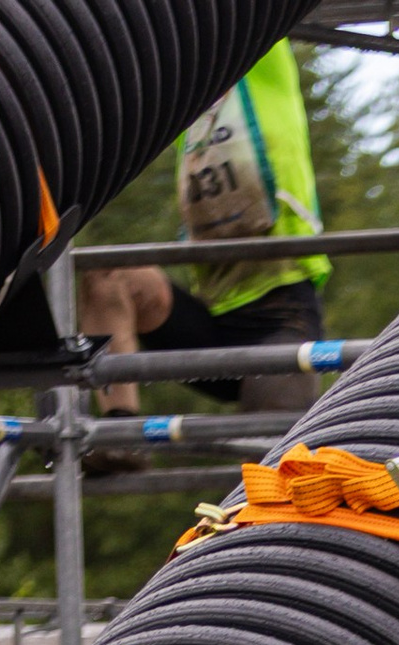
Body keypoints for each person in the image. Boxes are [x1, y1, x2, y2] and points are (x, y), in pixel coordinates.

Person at [77, 44, 329, 423]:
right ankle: (119, 432)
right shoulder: (190, 105)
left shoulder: (265, 60)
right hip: (210, 317)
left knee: (271, 454)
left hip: (282, 315)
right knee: (108, 275)